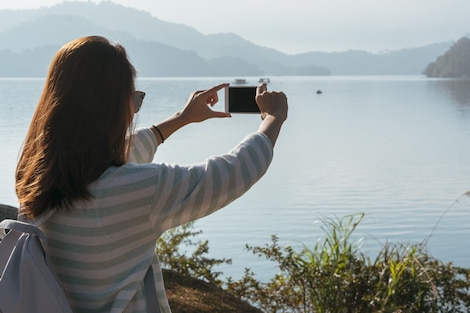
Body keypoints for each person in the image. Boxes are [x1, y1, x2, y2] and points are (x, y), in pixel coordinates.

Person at [15, 36, 288, 313]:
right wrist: (273, 118)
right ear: (110, 106)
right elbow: (233, 172)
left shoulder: (35, 178)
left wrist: (181, 118)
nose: (134, 109)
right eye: (133, 98)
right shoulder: (140, 191)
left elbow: (113, 158)